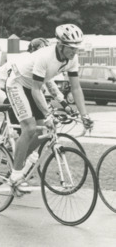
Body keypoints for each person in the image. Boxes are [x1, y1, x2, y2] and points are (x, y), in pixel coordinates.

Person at [5, 24, 94, 192]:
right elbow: (36, 89)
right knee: (30, 127)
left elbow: (76, 88)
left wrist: (85, 115)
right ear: (60, 44)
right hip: (17, 84)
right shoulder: (45, 56)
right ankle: (15, 175)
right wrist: (47, 114)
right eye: (71, 48)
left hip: (33, 87)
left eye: (77, 48)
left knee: (44, 131)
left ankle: (19, 158)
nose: (75, 52)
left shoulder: (73, 59)